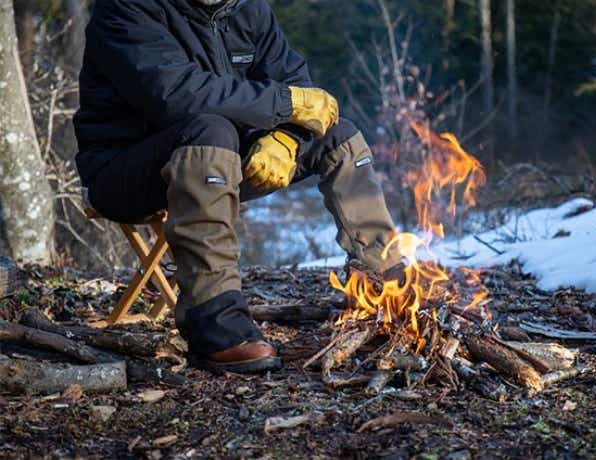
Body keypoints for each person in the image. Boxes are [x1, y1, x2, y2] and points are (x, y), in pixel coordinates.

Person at [74, 0, 402, 373]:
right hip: (123, 172)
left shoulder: (248, 9)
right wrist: (284, 104)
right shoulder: (127, 9)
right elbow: (176, 95)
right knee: (209, 130)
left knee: (337, 136)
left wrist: (286, 139)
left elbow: (300, 89)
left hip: (216, 159)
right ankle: (217, 325)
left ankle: (384, 286)